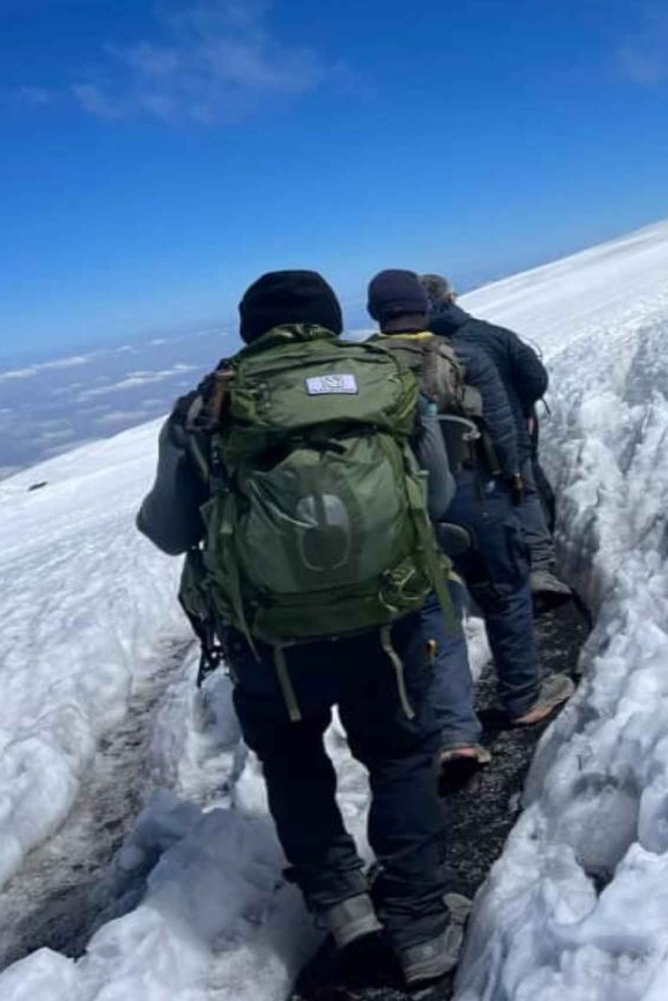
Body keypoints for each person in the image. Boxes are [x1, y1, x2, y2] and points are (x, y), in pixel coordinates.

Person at [135, 270, 467, 986]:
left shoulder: (209, 404)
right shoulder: (382, 380)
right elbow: (438, 493)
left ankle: (344, 908)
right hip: (388, 618)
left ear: (248, 328)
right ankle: (421, 924)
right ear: (328, 319)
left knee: (295, 767)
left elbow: (166, 530)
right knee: (403, 756)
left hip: (272, 641)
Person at [367, 270, 575, 774]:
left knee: (432, 610)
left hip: (403, 510)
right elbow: (505, 440)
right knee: (505, 591)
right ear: (427, 305)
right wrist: (512, 489)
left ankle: (455, 733)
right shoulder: (466, 357)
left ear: (377, 314)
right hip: (473, 496)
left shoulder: (365, 370)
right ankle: (523, 696)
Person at [419, 274, 574, 608]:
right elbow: (535, 378)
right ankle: (537, 568)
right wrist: (519, 406)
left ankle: (482, 576)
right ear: (453, 297)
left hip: (447, 449)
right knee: (526, 491)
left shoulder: (420, 351)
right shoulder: (495, 335)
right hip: (511, 430)